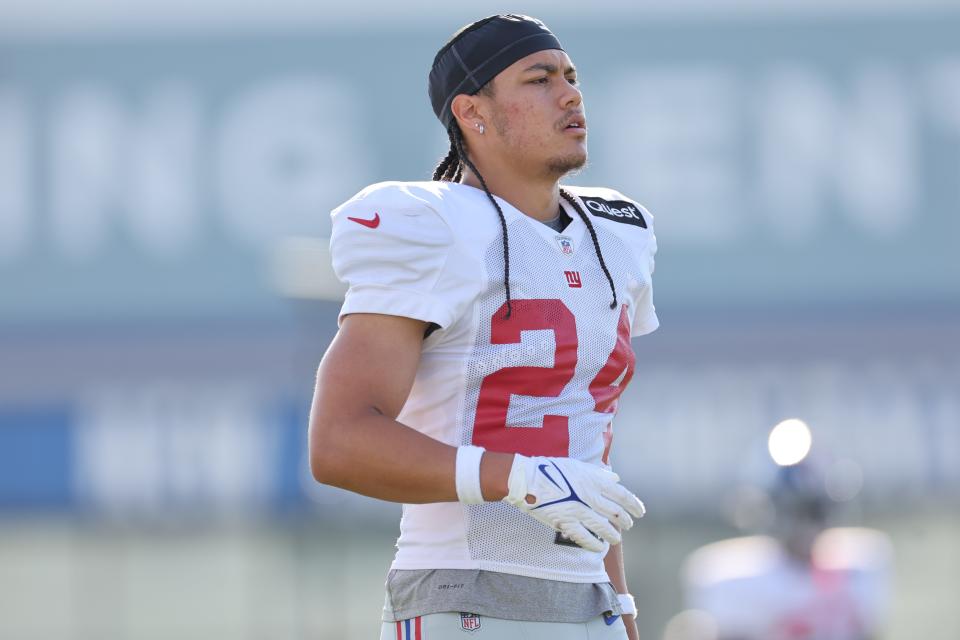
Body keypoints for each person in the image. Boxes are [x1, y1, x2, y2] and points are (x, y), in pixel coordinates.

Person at [308, 14, 659, 640]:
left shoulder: (617, 236)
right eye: (539, 78)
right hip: (465, 594)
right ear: (474, 112)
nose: (571, 93)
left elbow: (583, 453)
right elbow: (339, 443)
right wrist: (518, 478)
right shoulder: (431, 226)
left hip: (589, 604)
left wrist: (622, 607)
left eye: (572, 76)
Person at [676, 448, 893, 640]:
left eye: (815, 512)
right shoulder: (730, 577)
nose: (806, 526)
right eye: (795, 513)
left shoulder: (860, 569)